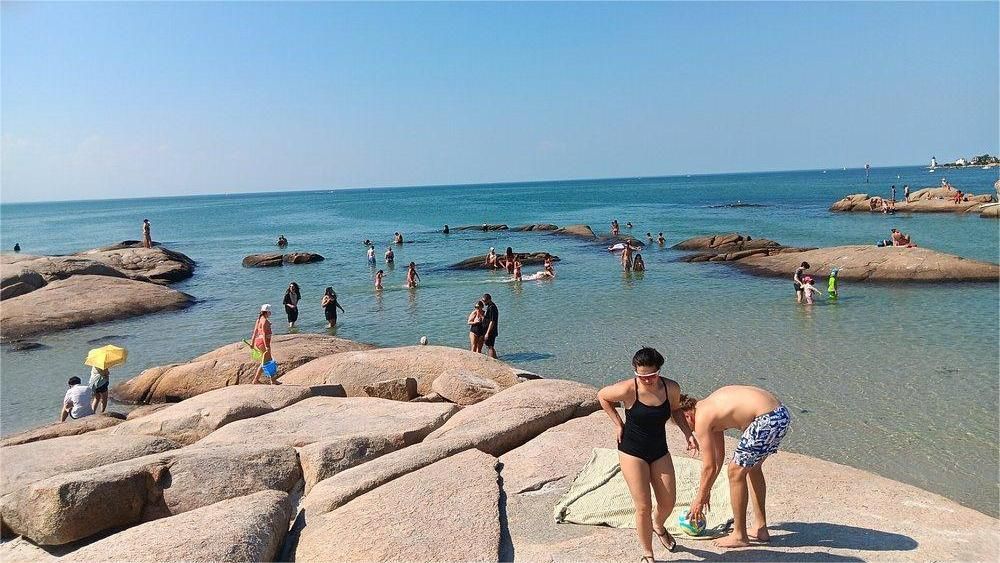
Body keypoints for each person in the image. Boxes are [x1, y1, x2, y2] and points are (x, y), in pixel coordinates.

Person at [597, 348, 698, 562]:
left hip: (659, 450)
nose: (648, 380)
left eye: (652, 375)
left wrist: (688, 434)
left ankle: (658, 526)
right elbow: (602, 396)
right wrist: (617, 423)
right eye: (642, 376)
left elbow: (676, 410)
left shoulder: (670, 387)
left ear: (659, 370)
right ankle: (647, 554)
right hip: (632, 451)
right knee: (643, 506)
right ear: (635, 372)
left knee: (668, 502)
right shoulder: (627, 389)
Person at [679, 386, 791, 549]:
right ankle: (761, 528)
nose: (690, 430)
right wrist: (706, 490)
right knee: (752, 467)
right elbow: (718, 459)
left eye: (686, 426)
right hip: (780, 415)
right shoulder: (709, 409)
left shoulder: (702, 418)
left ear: (687, 414)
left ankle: (739, 535)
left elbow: (708, 466)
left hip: (766, 419)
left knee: (735, 472)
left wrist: (699, 499)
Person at [250, 305, 275, 384]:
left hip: (258, 341)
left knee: (265, 361)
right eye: (269, 311)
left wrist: (252, 343)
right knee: (269, 361)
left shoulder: (259, 320)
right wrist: (266, 345)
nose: (270, 313)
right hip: (263, 342)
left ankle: (256, 380)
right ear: (266, 312)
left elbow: (255, 332)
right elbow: (264, 333)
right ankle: (272, 380)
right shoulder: (264, 321)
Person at [482, 293, 499, 358]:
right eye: (483, 301)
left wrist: (487, 333)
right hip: (490, 330)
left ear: (489, 300)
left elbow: (492, 321)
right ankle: (495, 358)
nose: (484, 302)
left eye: (485, 301)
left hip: (491, 331)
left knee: (490, 346)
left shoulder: (492, 307)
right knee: (490, 346)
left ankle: (491, 359)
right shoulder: (490, 306)